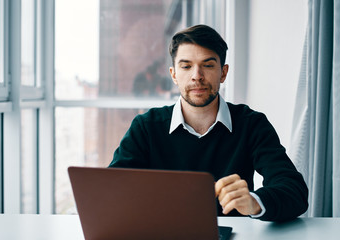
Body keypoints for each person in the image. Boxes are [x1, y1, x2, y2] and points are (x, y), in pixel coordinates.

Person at [109, 24, 308, 222]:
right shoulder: (146, 127)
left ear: (223, 72)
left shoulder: (251, 124)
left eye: (208, 65)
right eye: (186, 66)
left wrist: (255, 202)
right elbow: (111, 191)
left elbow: (294, 191)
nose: (197, 76)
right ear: (174, 75)